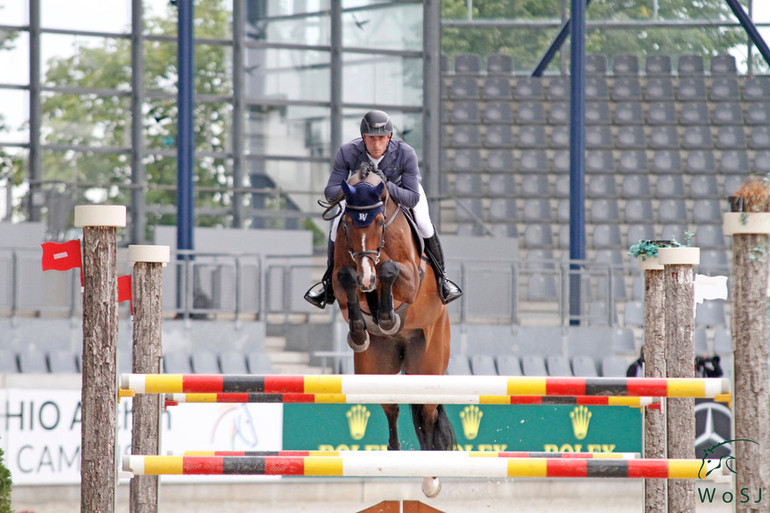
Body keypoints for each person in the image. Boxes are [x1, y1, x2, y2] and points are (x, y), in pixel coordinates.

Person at [304, 109, 462, 309]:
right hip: (363, 198)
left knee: (423, 222)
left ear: (389, 137)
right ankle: (327, 283)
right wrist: (356, 186)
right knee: (337, 224)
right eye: (371, 139)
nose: (376, 144)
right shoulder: (347, 151)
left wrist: (386, 185)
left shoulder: (405, 153)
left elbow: (412, 198)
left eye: (381, 138)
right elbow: (330, 192)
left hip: (401, 191)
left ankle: (443, 279)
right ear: (363, 137)